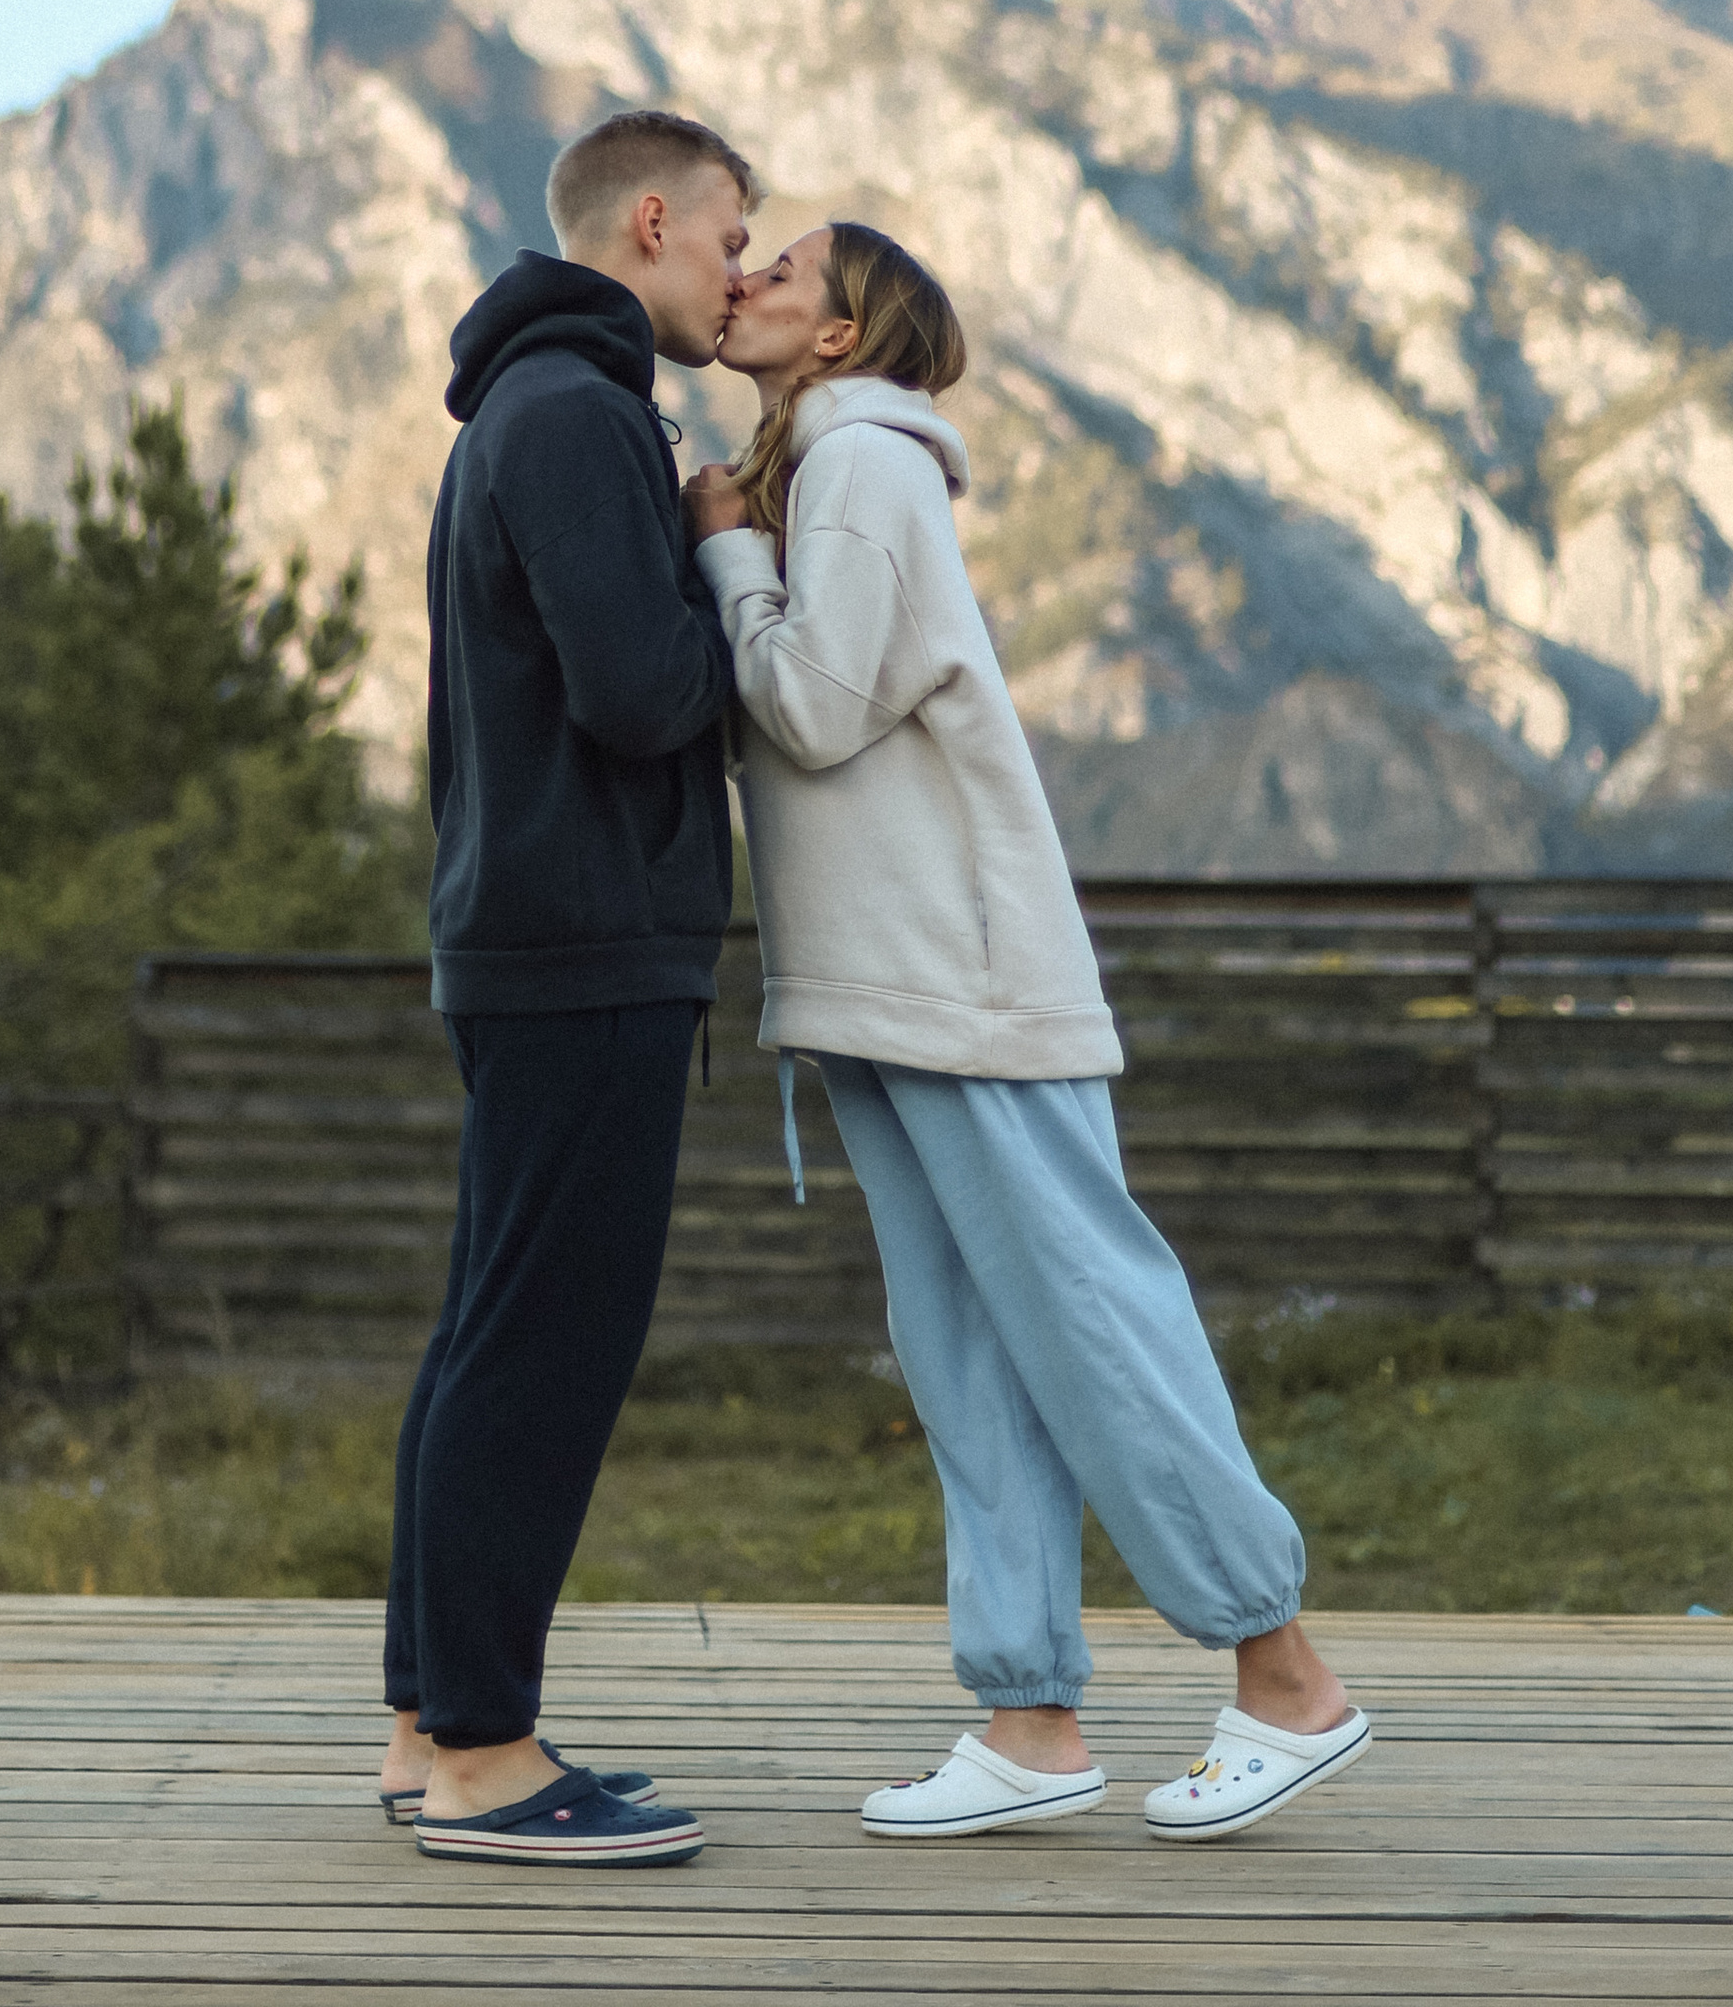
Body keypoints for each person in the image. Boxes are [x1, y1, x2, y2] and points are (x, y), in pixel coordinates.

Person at [684, 222, 1369, 1843]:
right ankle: (1028, 1719)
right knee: (972, 1352)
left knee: (1087, 1320)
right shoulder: (831, 470)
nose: (744, 276)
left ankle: (1285, 1675)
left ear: (843, 336)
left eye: (779, 266)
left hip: (966, 978)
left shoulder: (863, 467)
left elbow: (812, 703)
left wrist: (722, 550)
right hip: (892, 981)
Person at [381, 109, 753, 1870]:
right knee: (543, 1348)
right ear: (655, 221)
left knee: (487, 1334)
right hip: (585, 943)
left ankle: (429, 1722)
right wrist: (726, 561)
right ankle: (485, 1757)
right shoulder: (587, 417)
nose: (740, 277)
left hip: (522, 938)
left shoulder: (519, 412)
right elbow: (641, 692)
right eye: (731, 241)